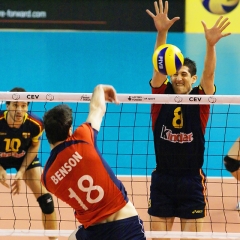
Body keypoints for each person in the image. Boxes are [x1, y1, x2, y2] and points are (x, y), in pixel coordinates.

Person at [146, 0, 231, 239]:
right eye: (175, 73)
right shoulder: (160, 98)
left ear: (192, 79)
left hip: (191, 181)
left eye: (184, 74)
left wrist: (210, 45)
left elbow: (209, 74)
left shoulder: (201, 102)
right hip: (162, 179)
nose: (179, 78)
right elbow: (158, 67)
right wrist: (162, 33)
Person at [41, 84, 146, 240]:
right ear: (69, 130)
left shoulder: (47, 178)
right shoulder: (83, 137)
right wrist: (100, 88)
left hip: (94, 233)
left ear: (46, 133)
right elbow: (97, 108)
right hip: (126, 224)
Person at [0, 87, 58, 240]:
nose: (19, 110)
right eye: (15, 105)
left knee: (47, 201)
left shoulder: (36, 124)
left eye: (24, 106)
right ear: (7, 106)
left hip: (23, 158)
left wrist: (22, 171)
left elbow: (34, 146)